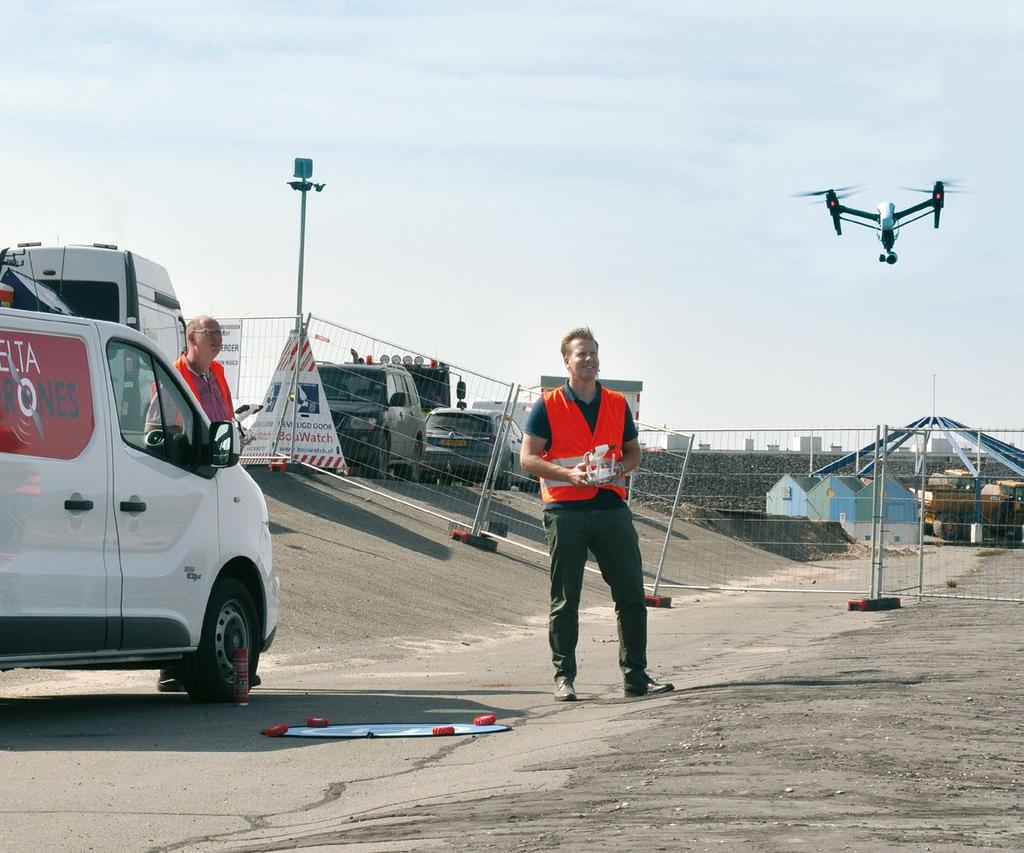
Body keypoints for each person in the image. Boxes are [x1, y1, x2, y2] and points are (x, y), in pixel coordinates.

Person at [520, 327, 673, 702]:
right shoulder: (548, 404)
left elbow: (632, 452)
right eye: (581, 354)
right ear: (566, 362)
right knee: (565, 598)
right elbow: (528, 459)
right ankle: (564, 677)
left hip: (610, 508)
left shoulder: (616, 404)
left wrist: (622, 469)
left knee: (632, 594)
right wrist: (568, 474)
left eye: (593, 353)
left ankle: (635, 676)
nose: (589, 360)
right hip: (565, 510)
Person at [158, 314, 253, 692]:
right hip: (189, 476)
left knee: (221, 562)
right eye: (212, 334)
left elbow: (224, 419)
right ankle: (173, 665)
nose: (219, 340)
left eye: (220, 334)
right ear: (192, 338)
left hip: (219, 474)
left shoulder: (217, 375)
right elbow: (160, 426)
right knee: (192, 566)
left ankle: (217, 660)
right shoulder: (175, 376)